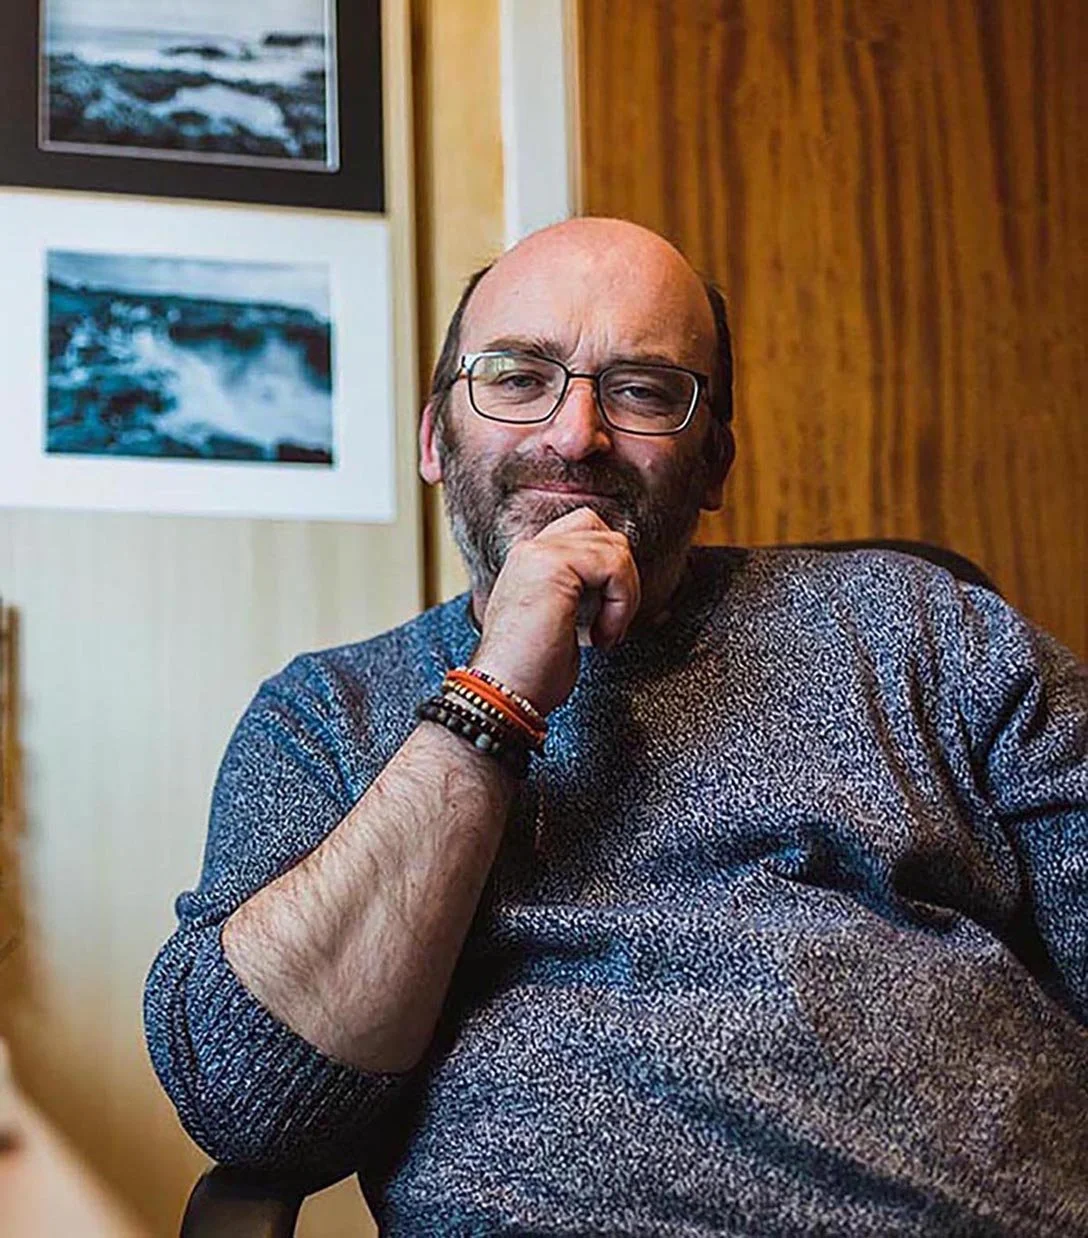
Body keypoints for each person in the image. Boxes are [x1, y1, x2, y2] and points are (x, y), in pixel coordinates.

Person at [145, 218, 1088, 1236]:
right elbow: (253, 1107)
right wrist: (490, 697)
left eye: (641, 389)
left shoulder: (922, 632)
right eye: (515, 377)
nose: (573, 433)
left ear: (715, 462)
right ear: (433, 437)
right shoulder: (327, 714)